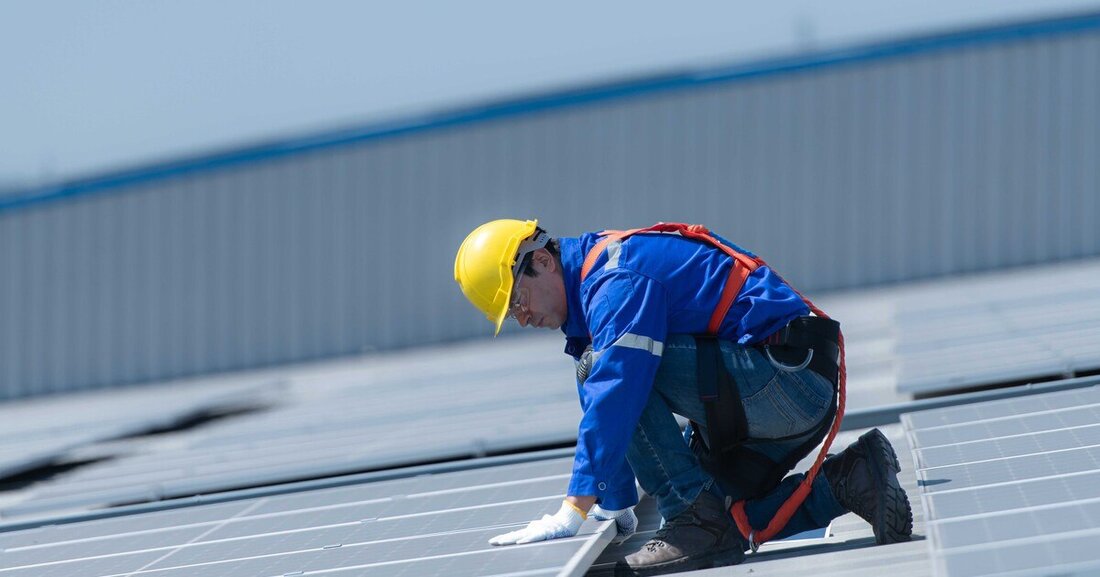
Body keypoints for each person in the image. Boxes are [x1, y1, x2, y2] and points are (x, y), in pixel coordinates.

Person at [454, 219, 912, 576]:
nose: (523, 316)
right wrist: (616, 501)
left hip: (784, 382)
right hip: (781, 389)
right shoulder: (602, 283)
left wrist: (576, 506)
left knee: (608, 365)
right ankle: (854, 478)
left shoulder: (616, 279)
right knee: (724, 524)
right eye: (511, 314)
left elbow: (616, 385)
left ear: (543, 261)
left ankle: (687, 513)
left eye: (517, 301)